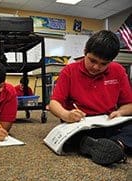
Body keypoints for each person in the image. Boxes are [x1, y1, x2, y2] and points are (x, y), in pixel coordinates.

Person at [49, 30, 132, 166]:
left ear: (111, 61)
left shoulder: (118, 71)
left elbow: (129, 105)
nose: (96, 67)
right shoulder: (69, 71)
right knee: (76, 135)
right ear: (85, 52)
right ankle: (117, 144)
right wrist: (66, 114)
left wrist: (120, 112)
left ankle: (115, 145)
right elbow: (54, 103)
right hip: (81, 123)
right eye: (92, 60)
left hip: (109, 121)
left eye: (103, 64)